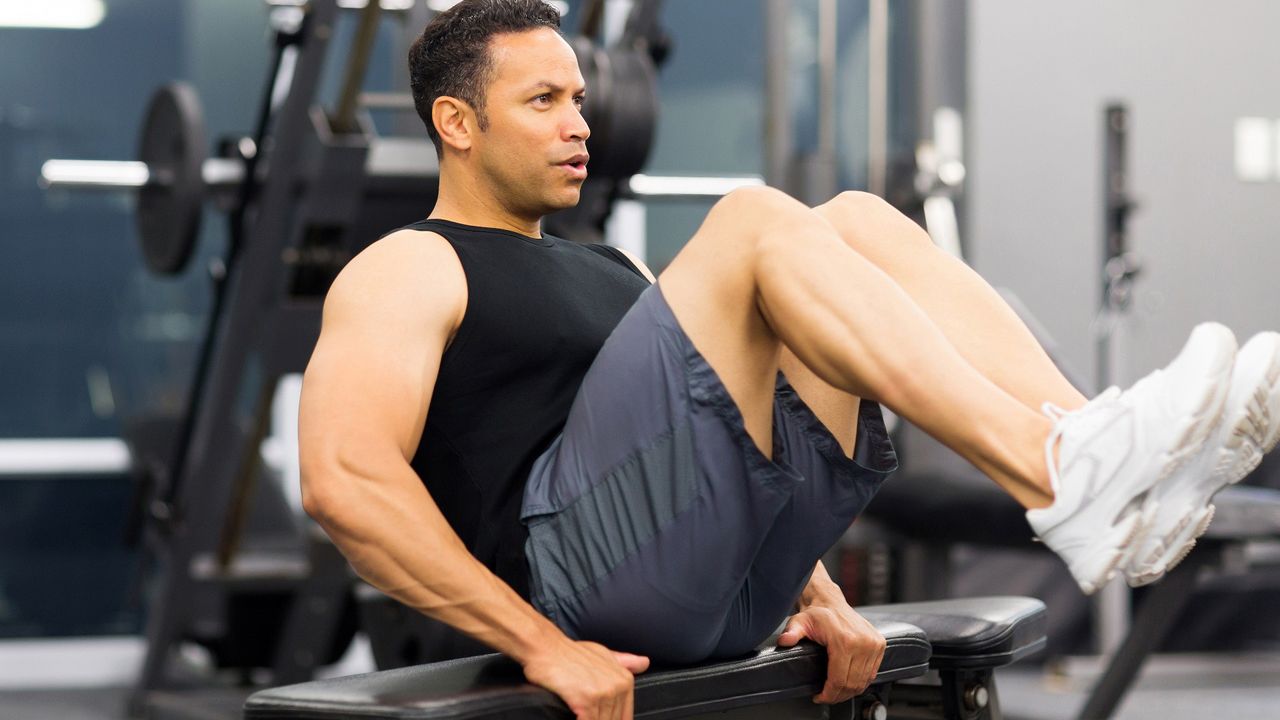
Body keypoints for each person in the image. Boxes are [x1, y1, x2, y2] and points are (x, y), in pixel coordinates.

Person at [297, 1, 1280, 718]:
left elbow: (705, 441)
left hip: (719, 580)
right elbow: (345, 483)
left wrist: (822, 596)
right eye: (543, 100)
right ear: (455, 124)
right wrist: (538, 644)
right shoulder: (409, 266)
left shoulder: (607, 265)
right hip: (571, 580)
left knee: (853, 219)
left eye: (579, 99)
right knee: (755, 219)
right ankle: (1061, 476)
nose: (579, 123)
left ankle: (1090, 449)